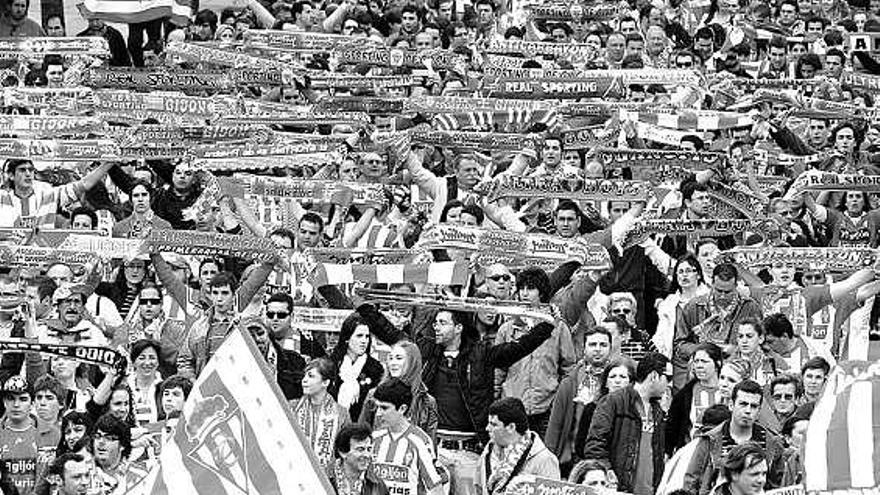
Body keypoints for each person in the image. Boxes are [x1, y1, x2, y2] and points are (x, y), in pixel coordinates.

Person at [583, 353, 670, 494]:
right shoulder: (613, 401)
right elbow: (594, 445)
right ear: (654, 376)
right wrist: (607, 472)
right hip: (618, 490)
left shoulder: (658, 411)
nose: (669, 384)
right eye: (668, 378)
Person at [684, 380, 785, 495]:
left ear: (759, 411)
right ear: (731, 405)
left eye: (754, 406)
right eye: (743, 404)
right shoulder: (710, 440)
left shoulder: (772, 443)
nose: (748, 411)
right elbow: (691, 482)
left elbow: (779, 486)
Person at [371, 379, 444, 495]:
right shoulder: (374, 439)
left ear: (402, 409)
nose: (378, 413)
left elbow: (435, 487)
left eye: (384, 408)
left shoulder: (420, 441)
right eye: (377, 407)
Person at [476, 397, 560, 495]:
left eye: (494, 424)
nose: (487, 428)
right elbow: (478, 487)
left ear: (511, 427)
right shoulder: (488, 453)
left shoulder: (544, 460)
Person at [359, 341, 438, 443]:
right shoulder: (373, 394)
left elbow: (430, 444)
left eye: (399, 358)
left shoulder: (428, 402)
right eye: (390, 358)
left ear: (412, 362)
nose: (393, 363)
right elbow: (361, 433)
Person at [290, 358, 350, 470]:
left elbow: (345, 451)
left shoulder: (341, 413)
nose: (304, 380)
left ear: (325, 382)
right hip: (294, 472)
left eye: (311, 376)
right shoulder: (292, 407)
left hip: (326, 479)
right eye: (305, 376)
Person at [329, 314, 384, 421]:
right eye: (359, 336)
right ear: (347, 338)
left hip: (361, 427)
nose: (364, 341)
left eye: (367, 336)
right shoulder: (332, 364)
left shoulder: (375, 369)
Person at [326, 423, 389, 495]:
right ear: (343, 452)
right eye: (360, 449)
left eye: (369, 449)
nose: (367, 455)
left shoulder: (377, 485)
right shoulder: (323, 479)